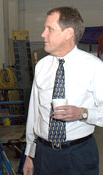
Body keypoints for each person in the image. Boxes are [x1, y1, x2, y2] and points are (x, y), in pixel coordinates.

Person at [23, 6, 103, 175]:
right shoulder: (42, 66)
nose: (43, 34)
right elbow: (34, 114)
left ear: (68, 33)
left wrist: (83, 113)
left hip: (79, 154)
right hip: (44, 154)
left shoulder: (95, 67)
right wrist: (30, 154)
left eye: (49, 29)